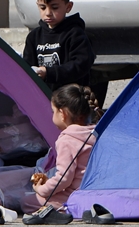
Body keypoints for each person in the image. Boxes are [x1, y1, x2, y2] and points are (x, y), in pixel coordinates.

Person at [22, 84, 101, 215]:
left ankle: (68, 210)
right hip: (94, 190)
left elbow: (64, 178)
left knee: (27, 201)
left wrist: (41, 189)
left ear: (62, 114)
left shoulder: (67, 139)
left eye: (53, 111)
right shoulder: (94, 133)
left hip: (75, 194)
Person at [22, 0, 95, 92]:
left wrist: (49, 73)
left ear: (68, 7)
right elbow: (27, 67)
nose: (48, 13)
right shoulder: (34, 37)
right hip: (43, 98)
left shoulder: (75, 34)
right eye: (43, 7)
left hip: (71, 101)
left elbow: (81, 65)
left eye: (54, 7)